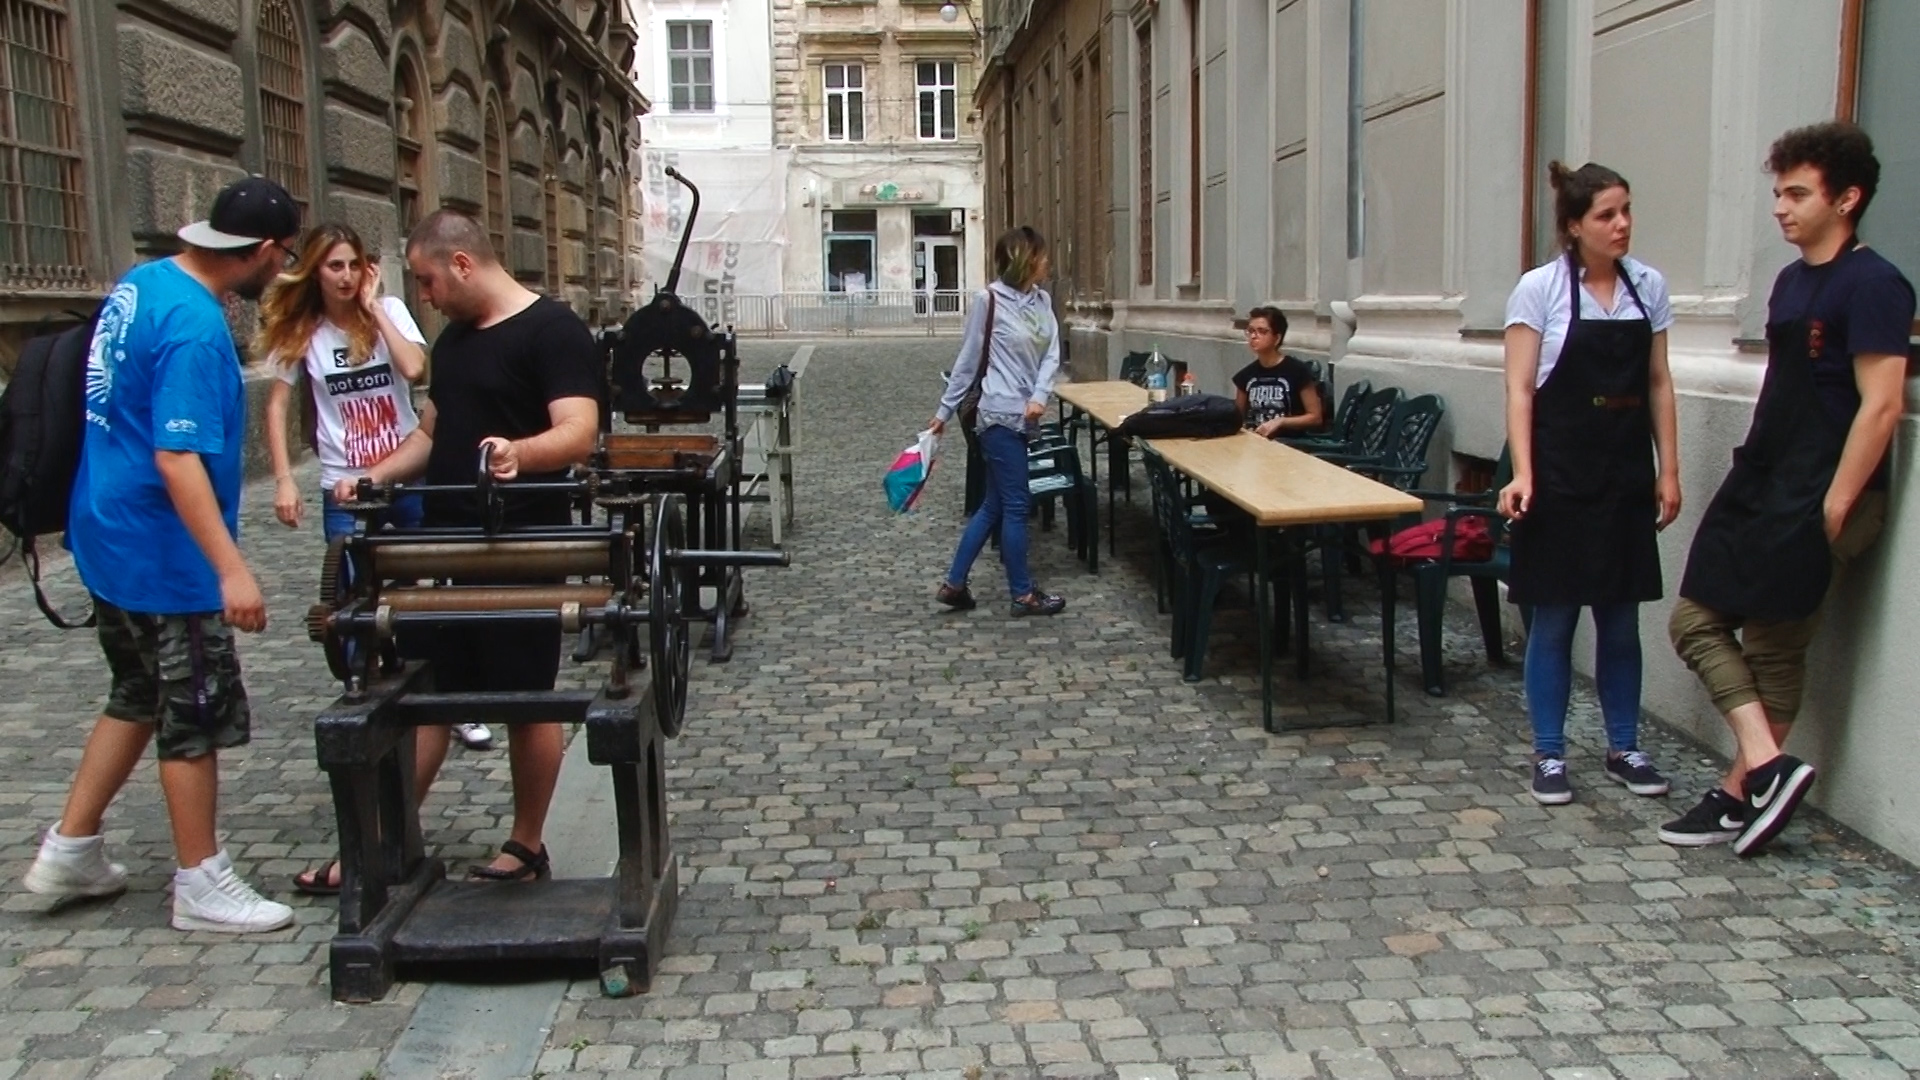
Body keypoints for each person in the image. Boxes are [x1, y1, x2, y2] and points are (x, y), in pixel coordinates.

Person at [23, 176, 301, 933]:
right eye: (283, 258)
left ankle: (71, 847)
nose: (280, 273)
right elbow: (177, 458)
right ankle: (201, 881)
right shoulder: (195, 327)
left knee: (137, 690)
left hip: (105, 528)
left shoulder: (142, 283)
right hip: (162, 552)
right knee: (193, 710)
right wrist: (229, 569)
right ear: (264, 250)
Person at [300, 209, 602, 887]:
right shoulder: (457, 342)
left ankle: (526, 847)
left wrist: (518, 454)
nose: (424, 296)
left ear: (462, 265)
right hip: (446, 542)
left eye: (427, 280)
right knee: (424, 690)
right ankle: (380, 841)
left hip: (524, 547)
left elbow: (578, 430)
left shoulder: (553, 331)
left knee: (527, 698)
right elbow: (431, 434)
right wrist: (373, 477)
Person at [1661, 122, 1913, 855]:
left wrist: (1836, 503)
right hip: (1763, 478)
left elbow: (1882, 405)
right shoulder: (1790, 281)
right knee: (1694, 620)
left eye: (1797, 193)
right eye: (1778, 192)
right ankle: (1769, 770)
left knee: (1773, 646)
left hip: (1821, 491)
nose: (1780, 207)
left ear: (1847, 198)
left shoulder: (1876, 284)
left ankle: (1738, 796)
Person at [257, 223, 493, 754]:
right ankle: (368, 695)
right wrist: (284, 480)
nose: (345, 277)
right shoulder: (305, 330)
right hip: (345, 484)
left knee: (428, 588)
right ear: (315, 272)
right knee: (355, 600)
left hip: (406, 476)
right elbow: (276, 406)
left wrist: (374, 307)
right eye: (333, 266)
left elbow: (413, 368)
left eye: (352, 265)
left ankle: (451, 700)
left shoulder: (390, 311)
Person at [1498, 161, 1682, 807]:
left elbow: (1658, 382)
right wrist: (1524, 472)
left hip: (1624, 474)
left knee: (1621, 620)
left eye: (1626, 210)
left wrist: (1669, 470)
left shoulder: (1648, 287)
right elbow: (1520, 389)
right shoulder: (1539, 290)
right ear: (1575, 225)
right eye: (1607, 214)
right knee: (1553, 619)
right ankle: (1549, 753)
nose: (1622, 224)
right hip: (1559, 475)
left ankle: (1624, 746)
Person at [929, 226, 1065, 617]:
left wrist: (1040, 395)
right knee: (1017, 505)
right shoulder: (987, 300)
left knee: (993, 504)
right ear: (1025, 260)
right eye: (1041, 255)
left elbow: (1052, 353)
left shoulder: (1042, 301)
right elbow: (968, 361)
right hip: (998, 416)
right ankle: (1023, 593)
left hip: (1026, 415)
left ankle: (954, 584)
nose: (1047, 261)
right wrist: (943, 413)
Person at [1231, 307, 1324, 437]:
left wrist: (1281, 421)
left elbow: (1315, 417)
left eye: (1262, 331)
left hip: (1289, 442)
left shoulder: (1297, 371)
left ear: (1277, 338)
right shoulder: (1245, 376)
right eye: (1250, 331)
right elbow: (1237, 419)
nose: (1253, 336)